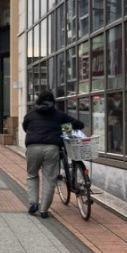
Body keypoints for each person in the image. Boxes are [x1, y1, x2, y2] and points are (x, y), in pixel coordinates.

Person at [23, 89, 85, 218]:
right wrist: (65, 127)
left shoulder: (30, 114)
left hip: (33, 147)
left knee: (32, 175)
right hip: (52, 148)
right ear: (53, 102)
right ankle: (44, 210)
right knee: (49, 179)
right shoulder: (59, 115)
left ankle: (33, 203)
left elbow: (25, 127)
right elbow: (79, 124)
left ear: (38, 101)